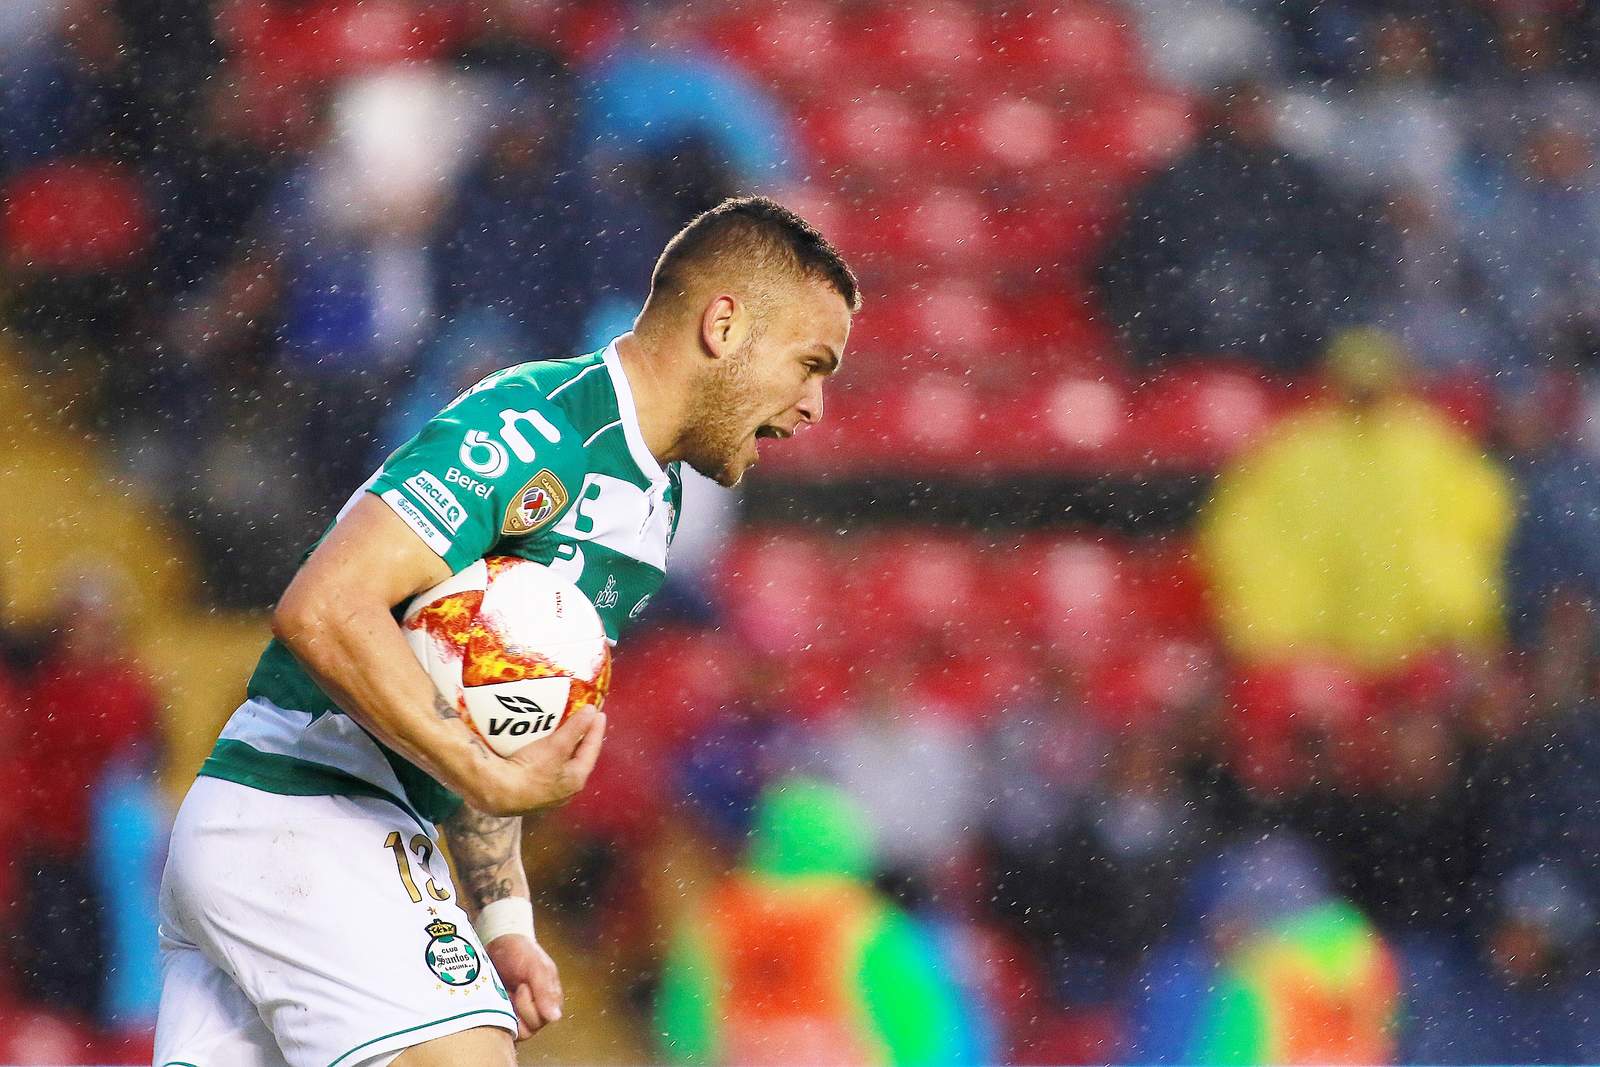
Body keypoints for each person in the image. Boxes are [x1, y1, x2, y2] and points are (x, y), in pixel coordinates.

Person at [153, 196, 860, 1067]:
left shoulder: (655, 506)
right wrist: (484, 772)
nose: (816, 405)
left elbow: (493, 709)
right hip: (307, 812)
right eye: (810, 364)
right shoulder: (537, 421)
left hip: (301, 832)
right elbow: (324, 608)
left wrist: (504, 918)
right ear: (724, 326)